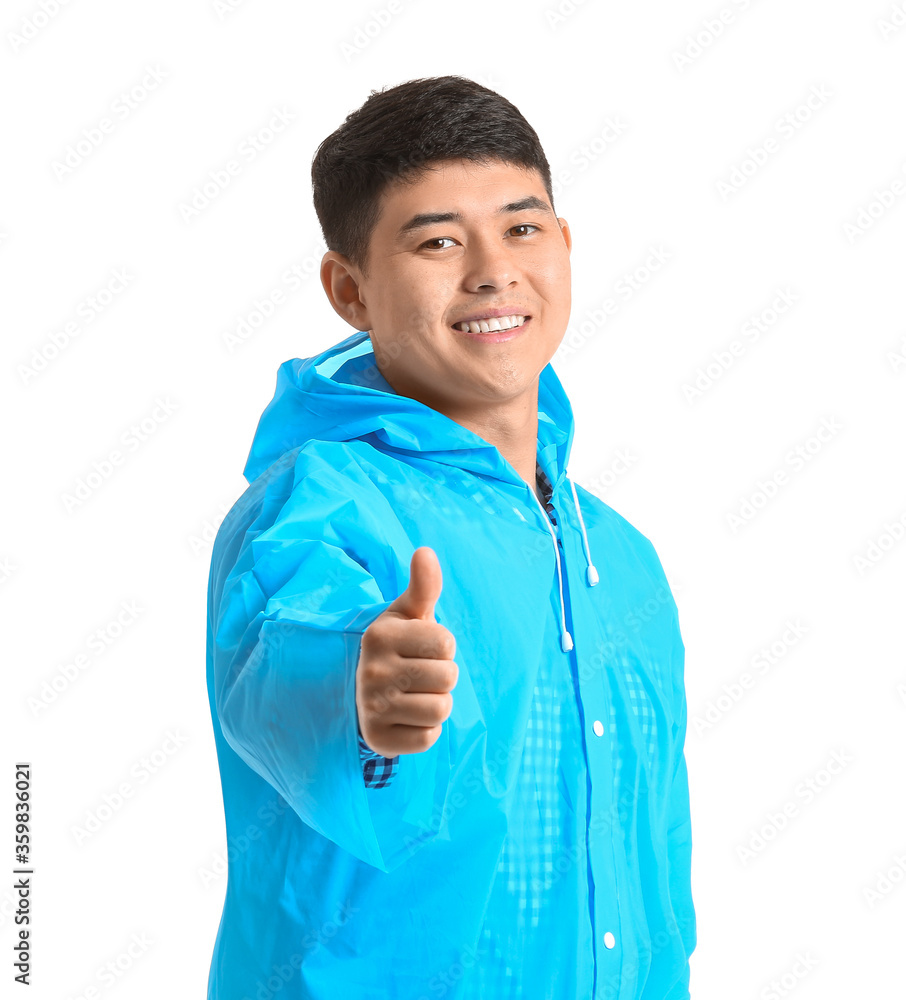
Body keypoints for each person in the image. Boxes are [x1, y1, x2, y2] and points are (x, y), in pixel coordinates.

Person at [205, 75, 696, 1000]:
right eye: (437, 240)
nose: (492, 270)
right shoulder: (323, 503)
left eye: (521, 227)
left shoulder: (621, 556)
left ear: (563, 244)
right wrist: (360, 688)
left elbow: (658, 857)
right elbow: (282, 664)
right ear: (349, 290)